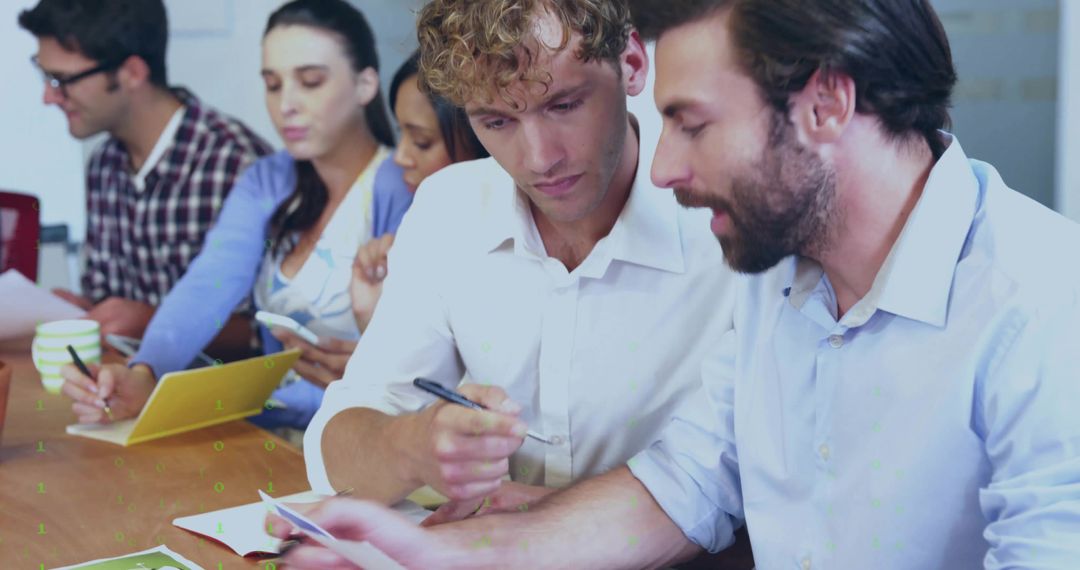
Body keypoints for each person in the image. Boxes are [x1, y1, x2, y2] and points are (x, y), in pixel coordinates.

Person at [271, 0, 1080, 568]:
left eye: (690, 124)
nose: (663, 166)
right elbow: (685, 482)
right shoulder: (783, 274)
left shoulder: (1043, 302)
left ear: (828, 104)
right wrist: (434, 553)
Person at [303, 0, 736, 527]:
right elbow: (335, 445)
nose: (538, 159)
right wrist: (412, 446)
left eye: (564, 105)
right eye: (497, 120)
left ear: (632, 64)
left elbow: (754, 481)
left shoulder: (728, 214)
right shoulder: (450, 207)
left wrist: (560, 522)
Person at [58, 0, 411, 432]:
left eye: (311, 81)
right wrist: (143, 374)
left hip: (365, 433)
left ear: (365, 84)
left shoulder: (400, 185)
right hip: (273, 432)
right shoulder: (268, 180)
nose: (287, 104)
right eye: (273, 84)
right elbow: (208, 283)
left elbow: (416, 362)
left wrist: (231, 400)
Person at [19, 0, 271, 345]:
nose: (49, 97)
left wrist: (153, 323)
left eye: (62, 80)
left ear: (133, 73)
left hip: (214, 396)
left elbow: (267, 333)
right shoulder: (104, 165)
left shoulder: (235, 164)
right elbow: (107, 296)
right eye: (44, 74)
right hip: (123, 385)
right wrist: (86, 310)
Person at [350, 51, 489, 332]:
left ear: (483, 141)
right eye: (402, 134)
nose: (400, 157)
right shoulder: (417, 235)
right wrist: (372, 319)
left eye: (422, 142)